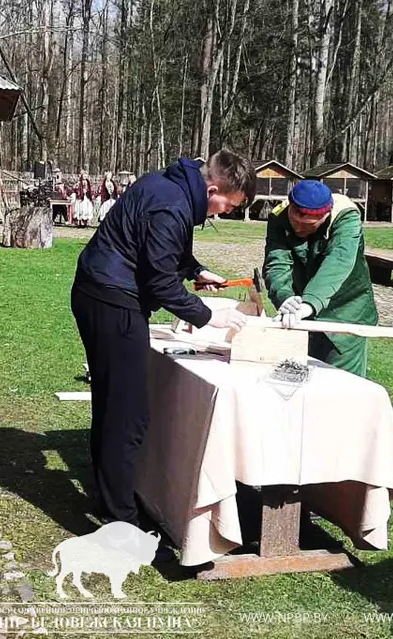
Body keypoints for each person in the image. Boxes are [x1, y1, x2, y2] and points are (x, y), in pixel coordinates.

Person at [71, 148, 255, 555]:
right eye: (227, 205)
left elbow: (164, 251)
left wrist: (195, 269)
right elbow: (159, 283)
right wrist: (210, 318)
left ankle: (108, 499)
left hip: (99, 291)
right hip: (110, 299)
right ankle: (122, 524)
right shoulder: (172, 206)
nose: (222, 214)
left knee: (111, 404)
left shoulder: (175, 184)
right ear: (213, 188)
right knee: (128, 415)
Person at [262, 179, 378, 377]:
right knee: (297, 380)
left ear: (326, 215)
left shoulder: (346, 218)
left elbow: (338, 262)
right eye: (294, 220)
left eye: (307, 225)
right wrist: (286, 297)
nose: (298, 228)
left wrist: (309, 303)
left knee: (340, 386)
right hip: (300, 314)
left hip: (345, 314)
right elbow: (277, 263)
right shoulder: (279, 217)